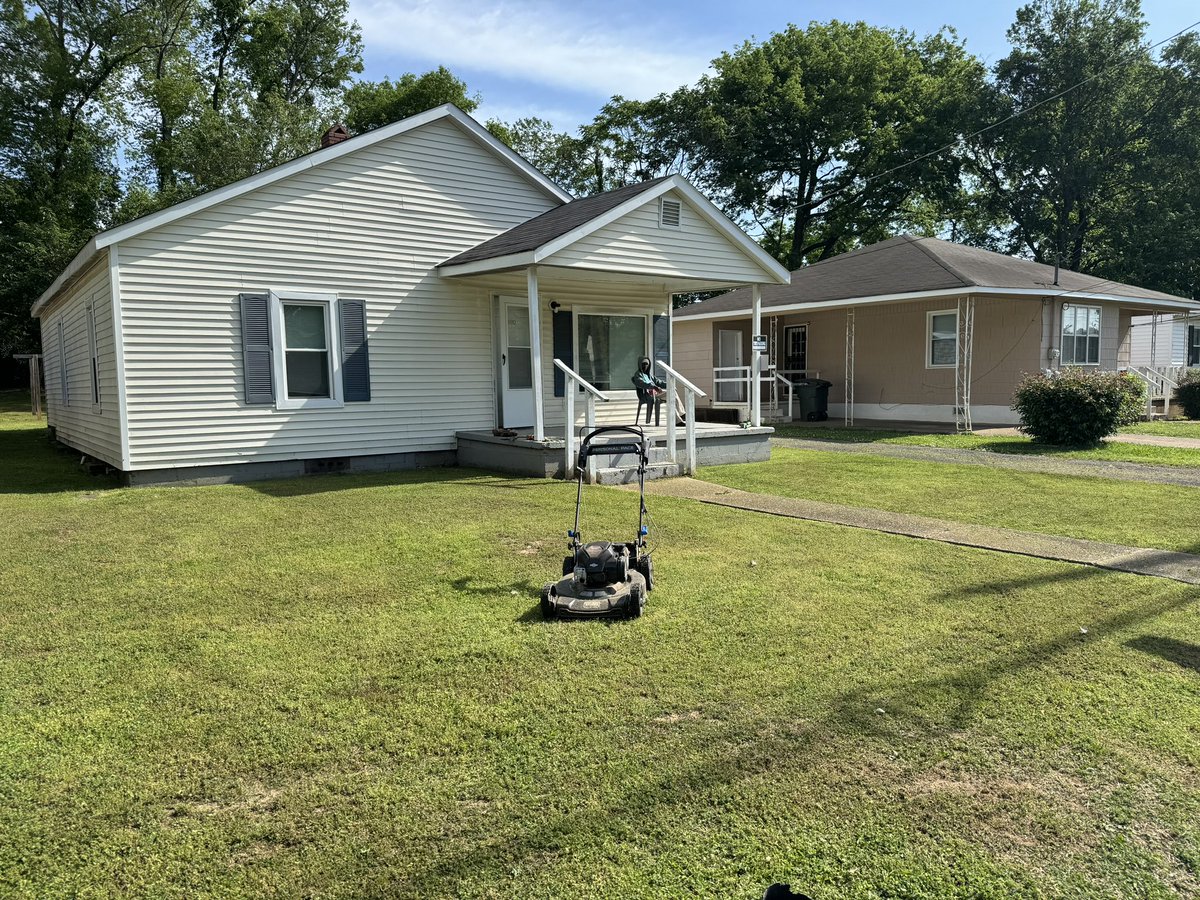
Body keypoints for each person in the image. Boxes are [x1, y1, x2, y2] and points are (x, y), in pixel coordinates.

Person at [632, 356, 685, 424]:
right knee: (670, 395)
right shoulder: (638, 375)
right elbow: (641, 383)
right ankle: (679, 418)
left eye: (646, 364)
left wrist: (670, 385)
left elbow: (659, 382)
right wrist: (654, 387)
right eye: (643, 364)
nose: (645, 365)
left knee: (672, 392)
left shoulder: (648, 375)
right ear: (640, 364)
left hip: (656, 393)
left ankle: (680, 415)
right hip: (647, 395)